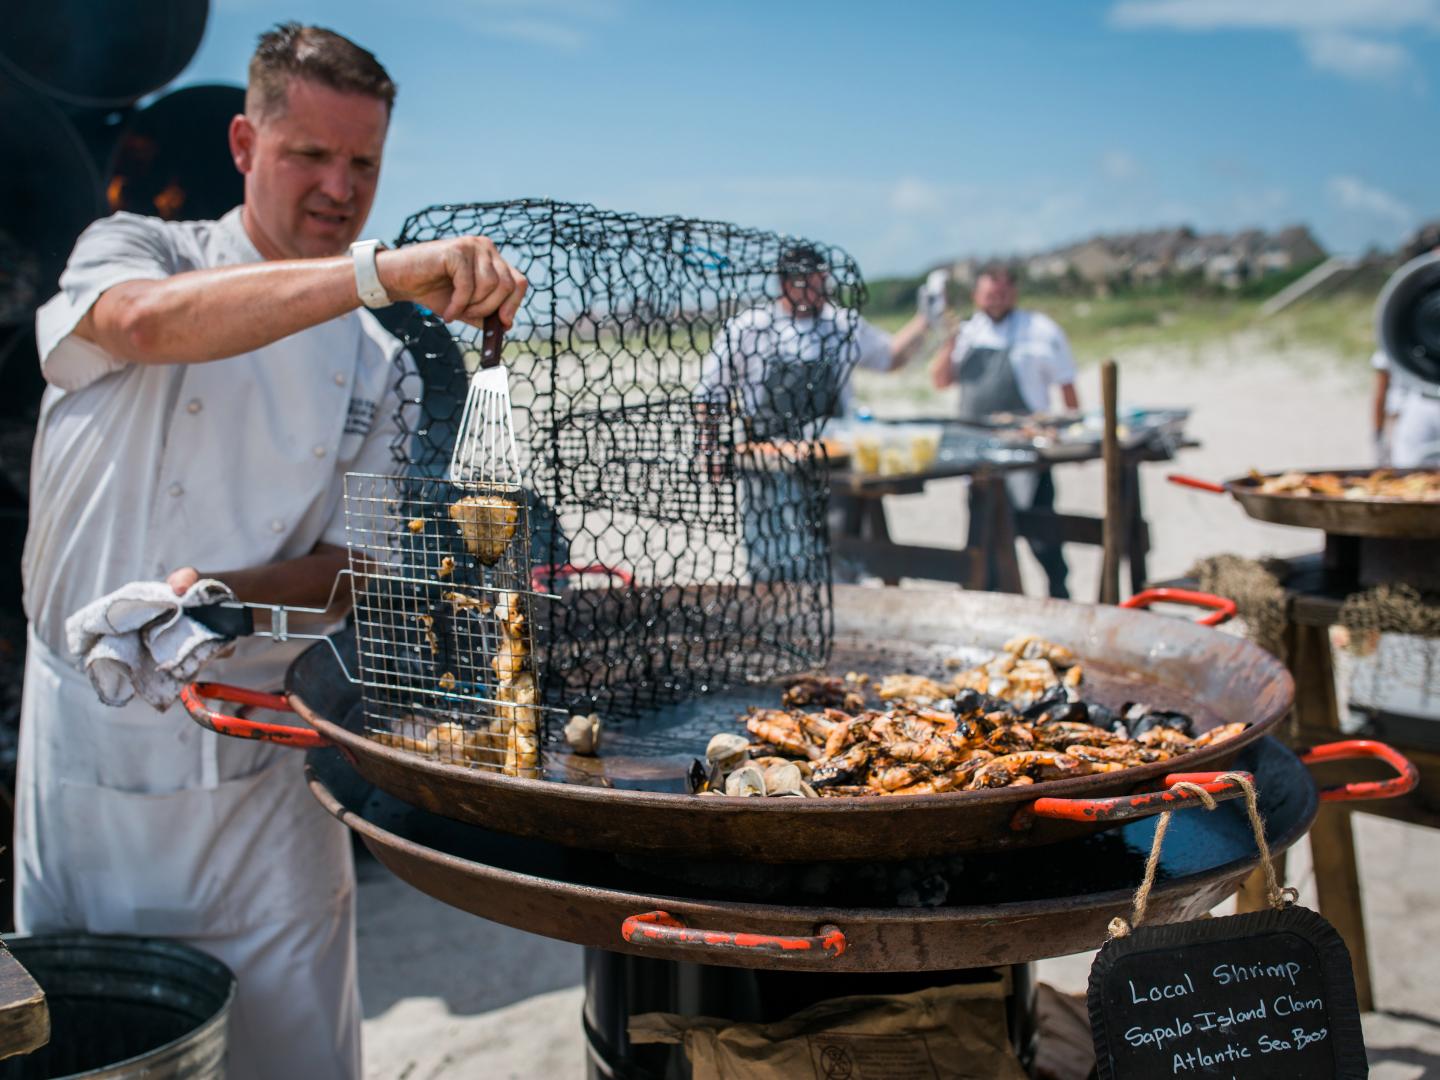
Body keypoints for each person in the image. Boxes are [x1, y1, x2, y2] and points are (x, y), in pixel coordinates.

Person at [17, 23, 525, 1079]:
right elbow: (150, 328)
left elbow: (359, 565)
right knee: (90, 1049)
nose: (341, 187)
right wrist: (375, 272)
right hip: (87, 761)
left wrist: (227, 593)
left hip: (260, 771)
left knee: (291, 1053)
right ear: (245, 144)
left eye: (365, 164)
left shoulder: (380, 358)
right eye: (312, 156)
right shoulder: (135, 250)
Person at [695, 243, 930, 579]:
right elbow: (710, 392)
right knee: (771, 558)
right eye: (808, 282)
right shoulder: (749, 327)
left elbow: (890, 357)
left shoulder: (841, 325)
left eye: (822, 281)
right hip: (768, 461)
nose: (818, 290)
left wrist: (925, 322)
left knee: (836, 556)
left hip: (832, 465)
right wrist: (710, 446)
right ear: (785, 283)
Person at [929, 264, 1078, 598]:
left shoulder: (1039, 330)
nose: (995, 301)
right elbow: (940, 379)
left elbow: (1067, 383)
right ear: (976, 296)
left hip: (1027, 450)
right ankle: (988, 595)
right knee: (984, 534)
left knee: (1042, 534)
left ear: (1013, 293)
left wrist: (1072, 429)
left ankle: (1059, 593)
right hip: (976, 451)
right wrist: (948, 342)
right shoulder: (966, 333)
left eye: (1001, 294)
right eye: (988, 295)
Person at [1374, 224, 1440, 467]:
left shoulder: (1406, 305)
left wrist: (1378, 436)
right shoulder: (1405, 307)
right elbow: (1382, 383)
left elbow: (1380, 386)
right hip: (1416, 413)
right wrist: (1379, 438)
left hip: (1414, 417)